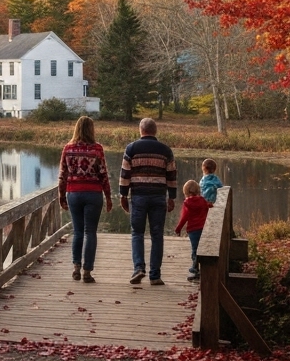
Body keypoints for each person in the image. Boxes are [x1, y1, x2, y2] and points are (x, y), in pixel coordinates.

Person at [120, 118, 177, 286]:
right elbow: (172, 176)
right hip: (159, 196)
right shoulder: (166, 150)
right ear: (155, 131)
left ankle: (138, 268)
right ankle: (155, 275)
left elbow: (125, 175)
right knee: (157, 235)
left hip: (138, 196)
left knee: (137, 233)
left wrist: (123, 195)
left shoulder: (131, 149)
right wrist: (172, 197)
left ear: (141, 130)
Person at [58, 116, 113, 283]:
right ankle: (87, 271)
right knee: (90, 233)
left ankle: (76, 267)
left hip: (74, 193)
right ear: (91, 129)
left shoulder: (68, 149)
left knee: (78, 232)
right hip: (93, 194)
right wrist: (108, 196)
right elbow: (103, 174)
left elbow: (63, 175)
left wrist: (61, 196)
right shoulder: (97, 149)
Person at [174, 180, 210, 282]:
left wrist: (178, 228)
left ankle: (195, 269)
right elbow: (207, 209)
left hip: (193, 230)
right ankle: (201, 269)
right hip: (203, 229)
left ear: (186, 192)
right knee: (201, 249)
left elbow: (184, 217)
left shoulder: (187, 203)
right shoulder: (203, 200)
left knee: (195, 250)